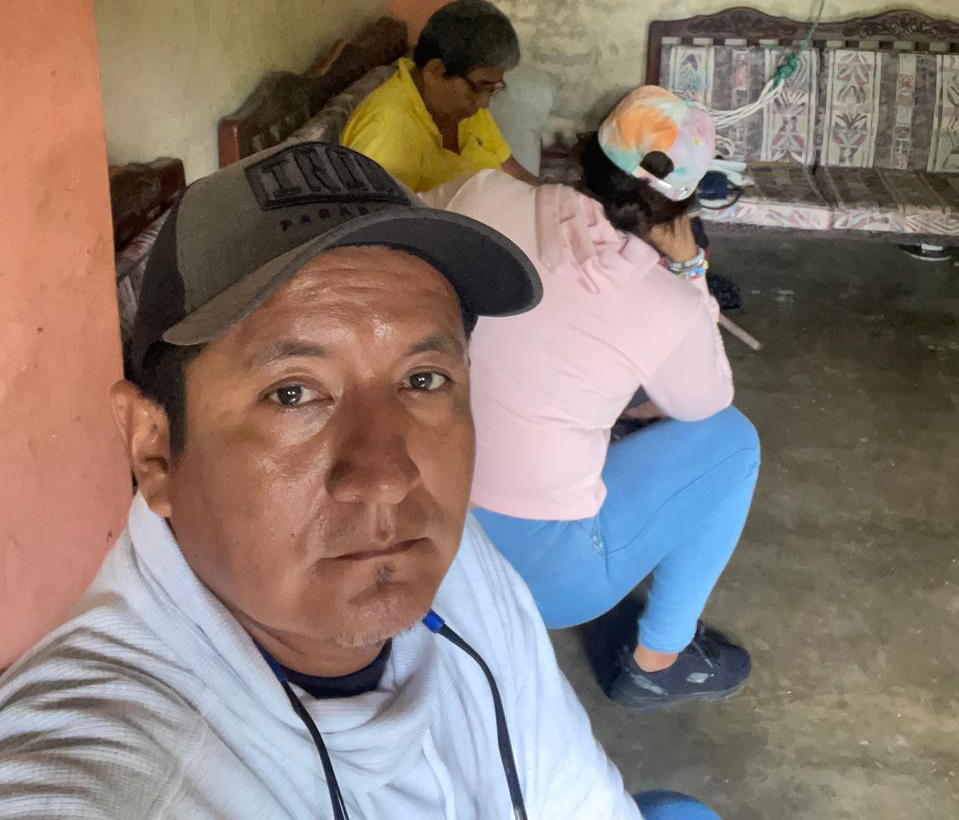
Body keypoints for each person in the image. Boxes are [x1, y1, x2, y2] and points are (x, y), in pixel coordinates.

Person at [0, 141, 721, 819]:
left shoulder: (459, 561)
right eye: (292, 393)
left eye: (423, 379)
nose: (388, 478)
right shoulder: (117, 768)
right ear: (154, 450)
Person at [421, 87, 761, 712]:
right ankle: (657, 661)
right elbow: (705, 404)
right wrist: (691, 273)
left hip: (421, 525)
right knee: (733, 443)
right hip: (541, 576)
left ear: (589, 148)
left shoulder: (481, 193)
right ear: (684, 204)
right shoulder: (666, 300)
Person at [341, 0, 538, 191]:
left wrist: (549, 199)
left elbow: (515, 173)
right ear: (435, 71)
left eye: (493, 89)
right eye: (479, 86)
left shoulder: (463, 108)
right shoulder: (387, 130)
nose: (485, 103)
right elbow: (385, 212)